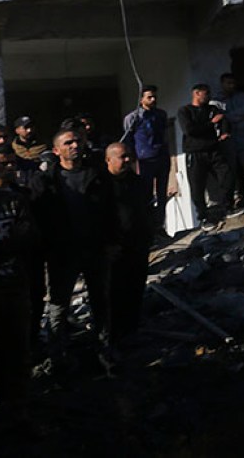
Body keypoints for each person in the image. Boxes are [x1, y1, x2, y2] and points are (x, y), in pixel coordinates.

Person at [32, 129, 112, 366]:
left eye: (77, 141)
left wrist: (111, 241)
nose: (75, 145)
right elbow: (37, 217)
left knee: (101, 301)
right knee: (58, 306)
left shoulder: (97, 175)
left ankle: (105, 350)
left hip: (94, 249)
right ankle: (57, 357)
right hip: (62, 253)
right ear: (56, 150)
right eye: (68, 143)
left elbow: (110, 211)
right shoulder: (45, 181)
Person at [0, 144, 36, 407]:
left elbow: (27, 239)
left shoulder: (13, 201)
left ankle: (15, 411)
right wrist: (6, 247)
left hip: (12, 287)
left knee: (15, 352)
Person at [103, 142, 151, 347]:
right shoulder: (100, 184)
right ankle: (111, 336)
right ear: (108, 160)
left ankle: (131, 330)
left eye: (129, 156)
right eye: (122, 157)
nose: (127, 160)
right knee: (113, 293)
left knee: (135, 288)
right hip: (112, 248)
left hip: (138, 245)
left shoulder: (137, 182)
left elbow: (145, 209)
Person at [177, 84, 233, 227]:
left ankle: (227, 205)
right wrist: (210, 124)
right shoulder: (185, 111)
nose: (208, 96)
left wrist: (224, 132)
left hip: (213, 149)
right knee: (197, 186)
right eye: (206, 94)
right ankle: (203, 216)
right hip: (195, 152)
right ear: (196, 94)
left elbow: (222, 118)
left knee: (226, 174)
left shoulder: (212, 109)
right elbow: (189, 130)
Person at [122, 85, 171, 212]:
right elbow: (128, 140)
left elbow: (165, 134)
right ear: (141, 99)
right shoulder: (133, 118)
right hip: (145, 160)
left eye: (154, 97)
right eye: (149, 97)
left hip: (162, 157)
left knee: (162, 194)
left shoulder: (161, 114)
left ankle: (160, 224)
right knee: (146, 194)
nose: (153, 99)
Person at [218, 74, 244, 209]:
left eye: (233, 83)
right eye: (228, 83)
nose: (231, 86)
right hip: (227, 139)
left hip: (243, 136)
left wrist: (227, 116)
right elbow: (216, 116)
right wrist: (229, 118)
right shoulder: (216, 100)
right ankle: (237, 196)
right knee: (231, 170)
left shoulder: (242, 97)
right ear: (222, 84)